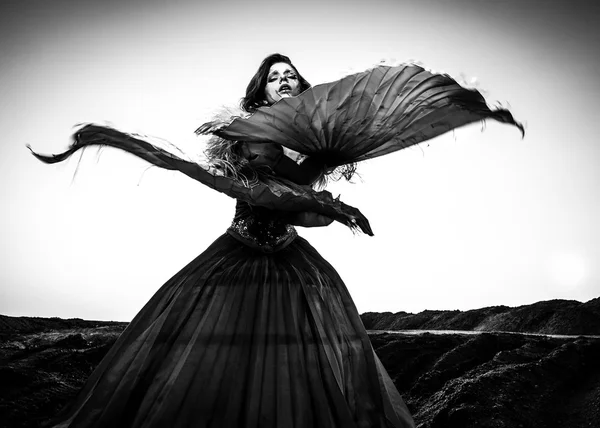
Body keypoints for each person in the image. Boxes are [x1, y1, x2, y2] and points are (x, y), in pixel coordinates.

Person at [31, 53, 522, 428]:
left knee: (309, 353)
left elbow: (300, 194)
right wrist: (330, 204)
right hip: (240, 254)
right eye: (275, 76)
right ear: (260, 92)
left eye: (291, 76)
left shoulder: (305, 140)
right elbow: (264, 193)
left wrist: (324, 175)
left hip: (290, 254)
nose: (285, 80)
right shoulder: (250, 136)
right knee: (217, 356)